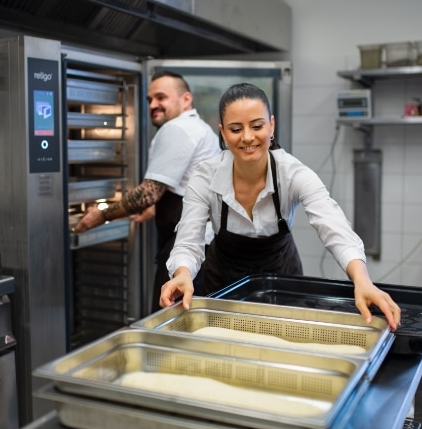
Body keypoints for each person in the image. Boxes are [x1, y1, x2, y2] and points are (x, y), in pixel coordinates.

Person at [160, 83, 401, 330]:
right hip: (223, 286)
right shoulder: (205, 177)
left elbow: (334, 228)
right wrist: (182, 273)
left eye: (257, 126)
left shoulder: (293, 174)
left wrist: (362, 281)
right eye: (235, 129)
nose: (247, 137)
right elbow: (189, 241)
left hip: (282, 283)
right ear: (222, 132)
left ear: (271, 125)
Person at [74, 70, 220, 312]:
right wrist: (154, 208)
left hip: (186, 247)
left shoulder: (178, 129)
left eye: (161, 97)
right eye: (150, 100)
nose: (153, 105)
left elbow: (148, 193)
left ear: (186, 99)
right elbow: (183, 185)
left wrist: (101, 215)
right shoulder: (198, 128)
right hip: (202, 247)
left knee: (169, 321)